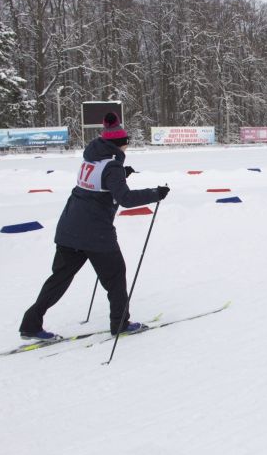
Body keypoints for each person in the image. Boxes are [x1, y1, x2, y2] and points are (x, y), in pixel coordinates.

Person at [19, 113, 170, 340]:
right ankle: (120, 323)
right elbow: (125, 198)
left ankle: (30, 324)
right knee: (115, 277)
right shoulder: (113, 166)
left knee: (58, 279)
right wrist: (155, 194)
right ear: (121, 144)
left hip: (70, 228)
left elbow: (97, 184)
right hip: (96, 234)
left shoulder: (91, 157)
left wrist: (122, 174)